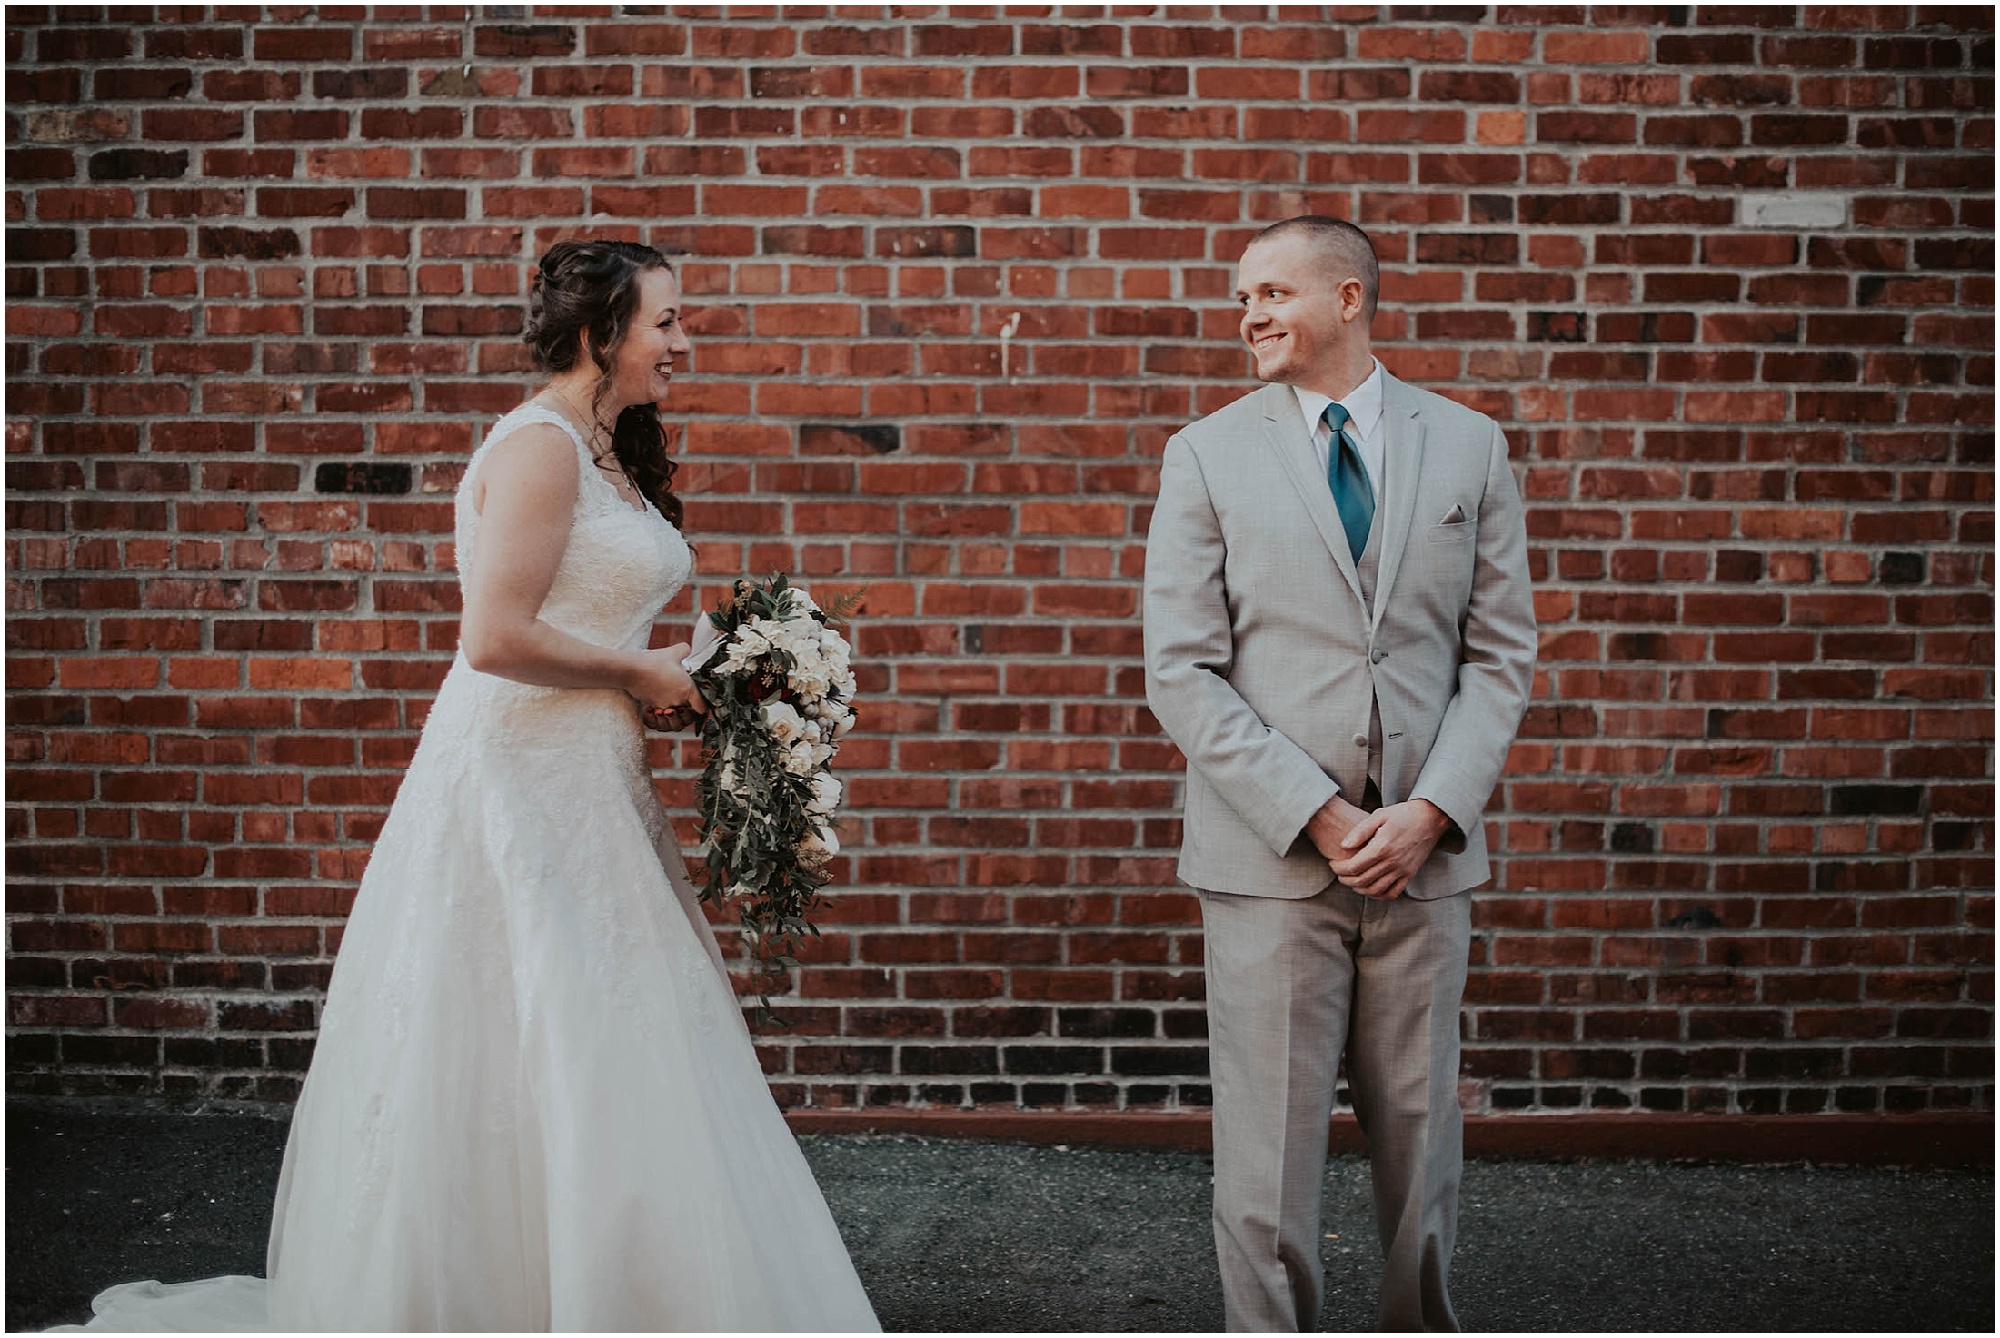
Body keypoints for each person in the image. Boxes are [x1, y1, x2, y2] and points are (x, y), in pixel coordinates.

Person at [59, 239, 880, 1331]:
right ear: (602, 334)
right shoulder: (539, 447)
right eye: (667, 322)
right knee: (536, 1018)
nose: (685, 342)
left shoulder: (610, 449)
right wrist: (639, 669)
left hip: (593, 775)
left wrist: (695, 678)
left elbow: (579, 619)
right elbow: (494, 638)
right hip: (516, 780)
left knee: (610, 1029)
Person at [1142, 216, 1537, 1332]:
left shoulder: (1467, 446)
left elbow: (1500, 654)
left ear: (1348, 299)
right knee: (1264, 1163)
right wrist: (1314, 813)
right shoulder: (1206, 453)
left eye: (1270, 292)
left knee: (1422, 1148)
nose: (1247, 317)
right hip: (1270, 861)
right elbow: (1179, 668)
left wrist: (1431, 811)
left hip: (1424, 858)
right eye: (1240, 299)